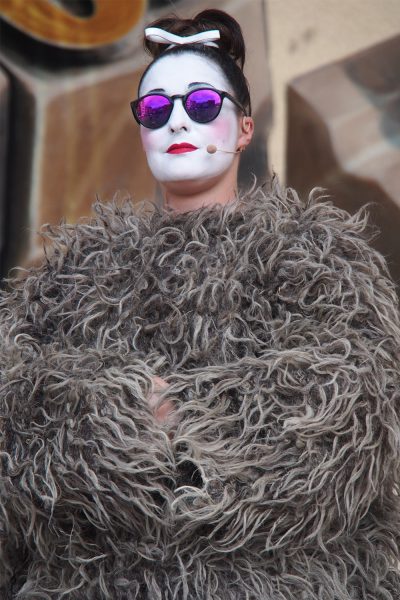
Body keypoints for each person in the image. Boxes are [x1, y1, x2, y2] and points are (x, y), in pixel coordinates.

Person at [0, 8, 399, 600]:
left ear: (243, 127)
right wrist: (128, 416)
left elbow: (346, 419)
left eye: (203, 105)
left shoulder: (320, 264)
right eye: (156, 110)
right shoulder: (71, 279)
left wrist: (182, 409)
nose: (177, 121)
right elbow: (19, 422)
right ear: (140, 128)